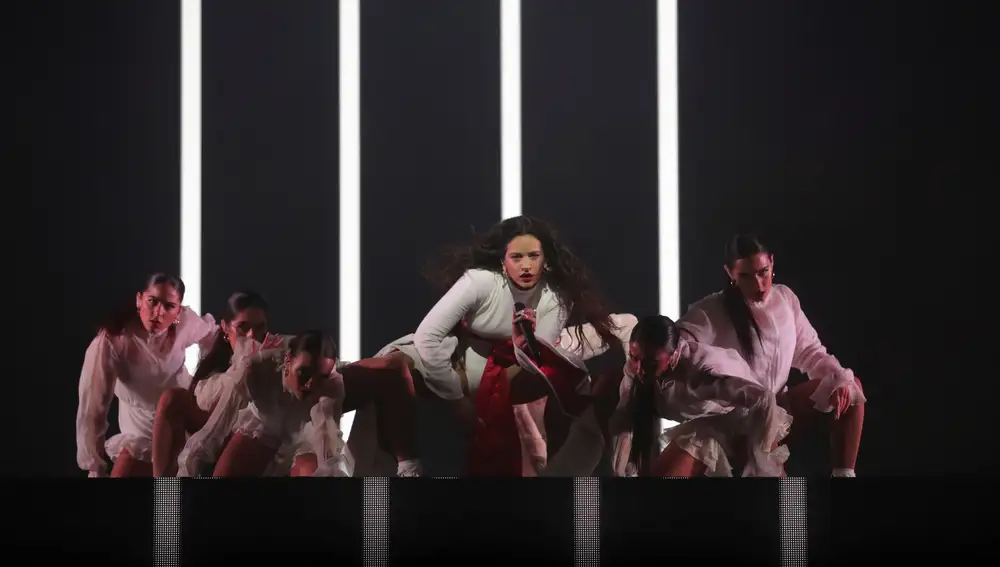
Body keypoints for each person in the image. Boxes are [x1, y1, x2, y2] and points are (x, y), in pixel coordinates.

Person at [370, 215, 620, 476]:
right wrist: (456, 400)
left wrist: (520, 339)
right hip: (455, 355)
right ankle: (406, 467)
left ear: (545, 260)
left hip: (514, 367)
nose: (526, 266)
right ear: (503, 261)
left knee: (565, 392)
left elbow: (537, 359)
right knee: (389, 366)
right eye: (517, 257)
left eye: (533, 256)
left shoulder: (556, 296)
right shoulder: (479, 281)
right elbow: (427, 336)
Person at [677, 234, 866, 477]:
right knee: (785, 502)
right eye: (745, 276)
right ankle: (792, 511)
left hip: (781, 407)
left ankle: (843, 476)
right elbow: (676, 347)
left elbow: (810, 351)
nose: (758, 284)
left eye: (763, 272)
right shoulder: (711, 310)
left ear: (772, 263)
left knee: (851, 388)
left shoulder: (785, 298)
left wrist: (838, 379)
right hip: (738, 420)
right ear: (730, 273)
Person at [176, 330, 420, 477]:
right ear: (288, 359)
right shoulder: (255, 370)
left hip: (306, 430)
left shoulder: (331, 385)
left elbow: (329, 450)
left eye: (321, 376)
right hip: (265, 423)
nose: (311, 384)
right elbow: (211, 433)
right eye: (304, 373)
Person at [608, 315, 791, 477]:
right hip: (707, 425)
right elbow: (625, 418)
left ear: (674, 355)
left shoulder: (703, 371)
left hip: (749, 420)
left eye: (650, 363)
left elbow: (763, 399)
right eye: (634, 357)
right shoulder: (635, 370)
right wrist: (618, 471)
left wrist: (761, 459)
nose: (639, 369)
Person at [76, 273, 218, 477]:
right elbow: (93, 407)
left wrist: (208, 383)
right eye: (152, 302)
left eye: (169, 306)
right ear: (139, 299)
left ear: (178, 311)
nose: (158, 312)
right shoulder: (113, 341)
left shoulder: (185, 322)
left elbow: (213, 338)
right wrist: (94, 465)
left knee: (168, 494)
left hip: (178, 420)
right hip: (139, 430)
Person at [150, 291, 273, 477]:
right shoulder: (217, 364)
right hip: (211, 435)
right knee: (172, 398)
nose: (252, 336)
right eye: (243, 327)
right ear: (225, 328)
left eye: (260, 327)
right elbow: (204, 400)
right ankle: (166, 496)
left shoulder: (276, 357)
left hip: (256, 437)